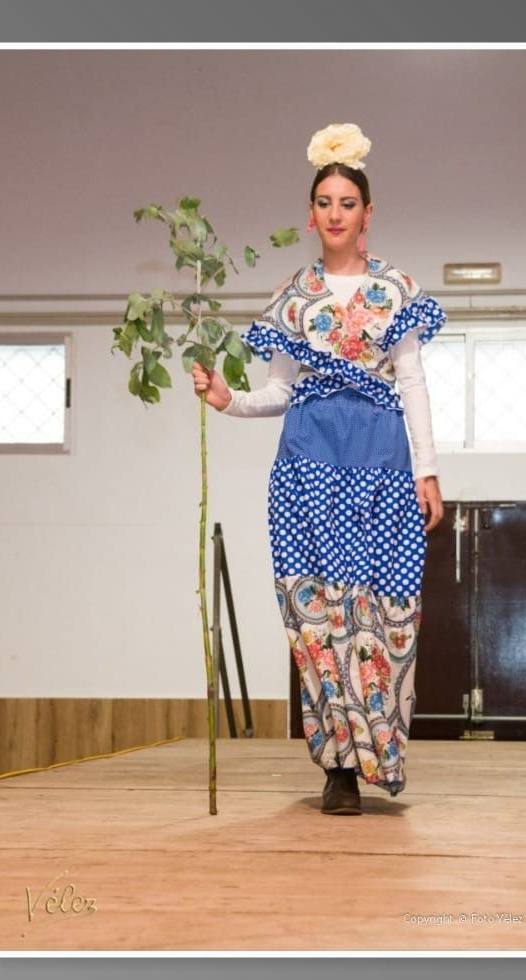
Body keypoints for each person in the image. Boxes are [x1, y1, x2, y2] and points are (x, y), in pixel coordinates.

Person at [191, 123, 445, 816]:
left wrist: (427, 472)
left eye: (347, 202)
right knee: (316, 617)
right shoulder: (293, 297)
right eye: (324, 202)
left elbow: (413, 383)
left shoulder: (398, 290)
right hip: (307, 468)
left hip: (382, 467)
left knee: (383, 614)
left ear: (367, 214)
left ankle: (378, 752)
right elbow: (279, 391)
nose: (335, 212)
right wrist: (228, 399)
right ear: (312, 215)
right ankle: (337, 766)